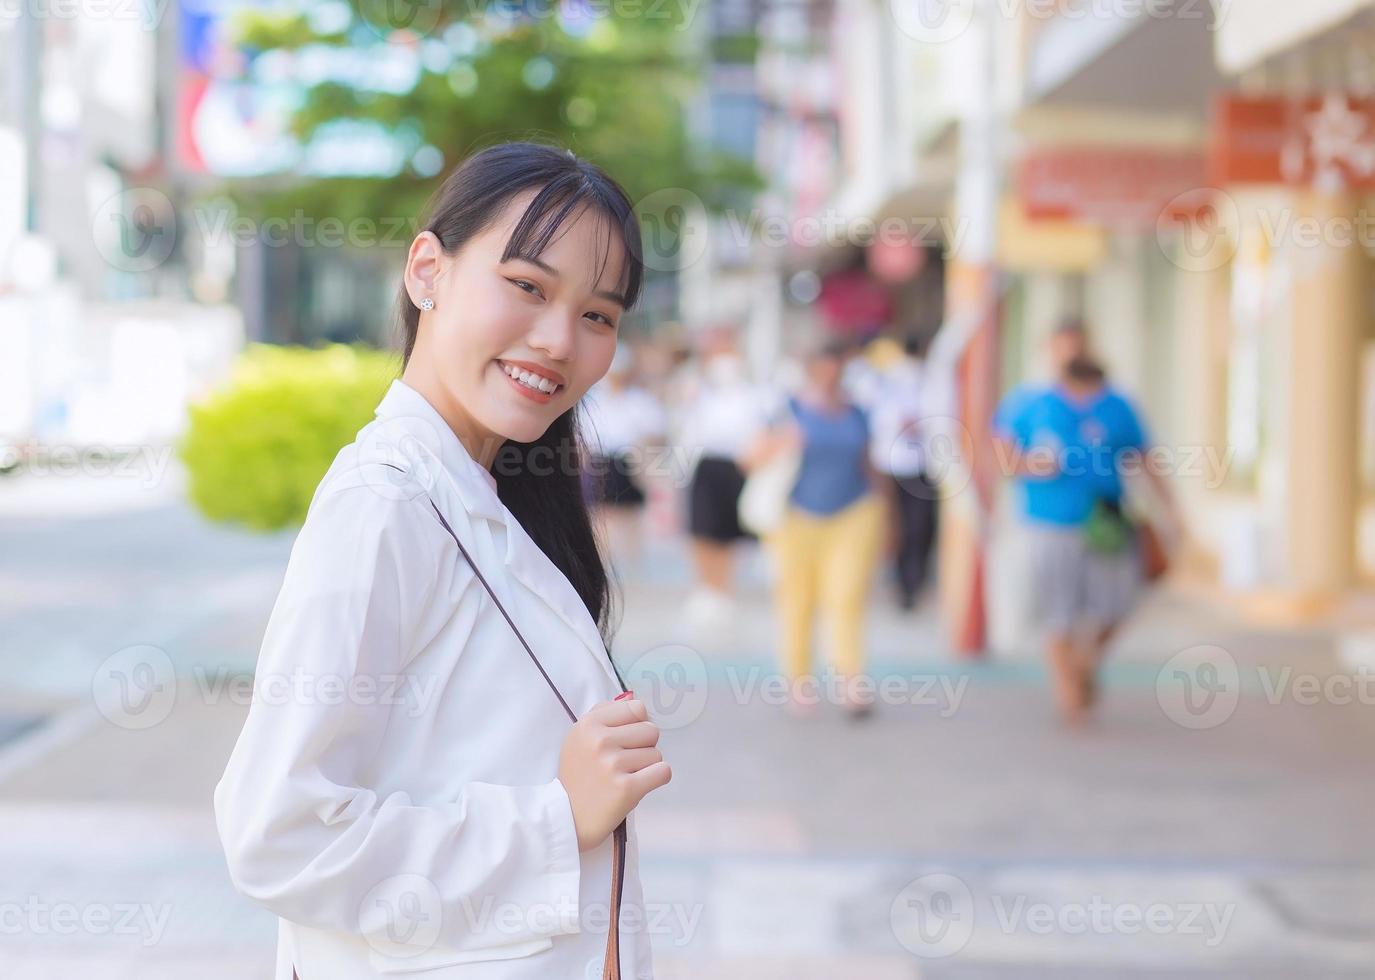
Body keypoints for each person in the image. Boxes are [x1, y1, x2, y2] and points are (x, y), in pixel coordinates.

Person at [213, 143, 671, 980]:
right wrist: (555, 817)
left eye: (598, 315)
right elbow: (275, 833)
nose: (559, 339)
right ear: (428, 270)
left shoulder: (487, 494)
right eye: (528, 287)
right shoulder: (384, 506)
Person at [993, 342, 1177, 725]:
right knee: (1058, 610)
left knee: (1118, 602)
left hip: (1106, 521)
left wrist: (1172, 512)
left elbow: (1144, 458)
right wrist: (1031, 466)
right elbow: (1002, 457)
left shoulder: (1118, 406)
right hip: (1050, 523)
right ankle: (1069, 695)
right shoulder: (1031, 404)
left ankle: (1083, 661)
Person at [744, 339, 888, 719]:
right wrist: (782, 443)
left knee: (846, 596)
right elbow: (749, 458)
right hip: (796, 517)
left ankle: (850, 682)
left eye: (835, 369)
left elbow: (870, 464)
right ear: (810, 370)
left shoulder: (857, 413)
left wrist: (889, 517)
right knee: (797, 599)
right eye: (822, 369)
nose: (829, 377)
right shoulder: (786, 411)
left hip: (854, 512)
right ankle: (798, 681)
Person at [673, 328, 774, 624]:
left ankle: (723, 590)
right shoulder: (697, 388)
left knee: (727, 534)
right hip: (705, 465)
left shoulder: (751, 394)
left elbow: (760, 430)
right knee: (702, 531)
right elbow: (685, 428)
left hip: (735, 467)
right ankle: (706, 587)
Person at [866, 335, 940, 610]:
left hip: (915, 463)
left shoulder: (916, 379)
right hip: (898, 463)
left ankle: (910, 581)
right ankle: (904, 581)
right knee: (906, 528)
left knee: (913, 527)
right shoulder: (892, 380)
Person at [579, 343, 667, 572]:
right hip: (600, 461)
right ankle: (603, 567)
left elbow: (653, 435)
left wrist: (646, 469)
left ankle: (632, 566)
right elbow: (584, 441)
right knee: (600, 517)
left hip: (629, 461)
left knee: (630, 516)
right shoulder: (593, 400)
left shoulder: (639, 400)